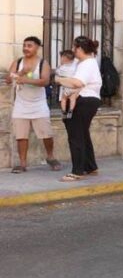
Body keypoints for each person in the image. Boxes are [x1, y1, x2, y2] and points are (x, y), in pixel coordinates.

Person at [5, 36, 62, 174]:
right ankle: (22, 164)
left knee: (46, 134)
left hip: (39, 104)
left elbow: (45, 81)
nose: (26, 48)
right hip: (20, 104)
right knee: (21, 135)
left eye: (29, 45)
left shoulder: (43, 63)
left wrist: (24, 79)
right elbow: (8, 79)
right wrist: (21, 72)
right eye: (24, 45)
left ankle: (50, 157)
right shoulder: (18, 62)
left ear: (37, 48)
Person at [55, 36, 102, 182]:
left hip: (84, 101)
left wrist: (57, 79)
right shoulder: (84, 63)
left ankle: (77, 171)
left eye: (74, 48)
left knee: (75, 136)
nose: (73, 51)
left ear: (80, 49)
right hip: (87, 100)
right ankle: (90, 166)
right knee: (82, 134)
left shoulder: (87, 63)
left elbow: (77, 82)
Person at [56, 50, 80, 118]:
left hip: (66, 87)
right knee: (73, 99)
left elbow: (57, 73)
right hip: (74, 87)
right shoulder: (75, 66)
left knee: (63, 99)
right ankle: (71, 110)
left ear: (63, 58)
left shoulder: (62, 68)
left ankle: (63, 112)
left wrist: (60, 65)